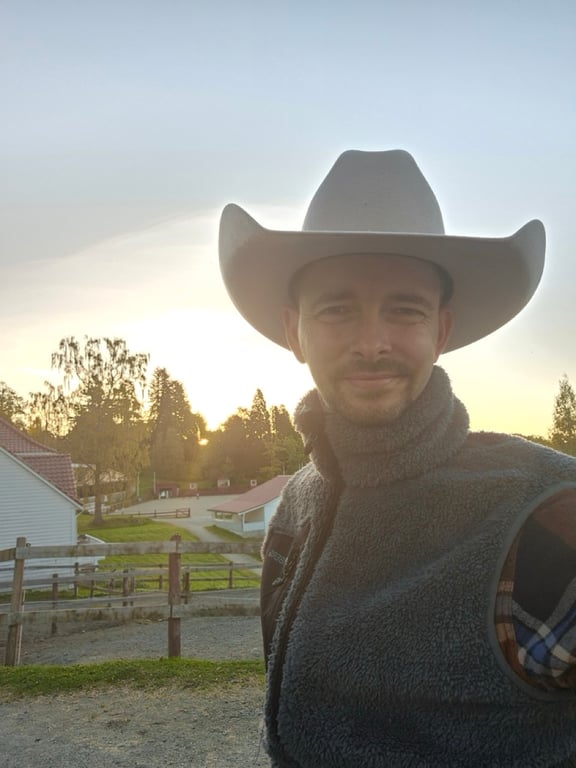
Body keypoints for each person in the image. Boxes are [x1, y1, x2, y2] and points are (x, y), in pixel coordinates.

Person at [218, 150, 576, 767]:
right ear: (294, 332)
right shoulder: (296, 507)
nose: (371, 342)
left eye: (404, 309)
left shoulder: (547, 514)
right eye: (336, 308)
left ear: (440, 330)